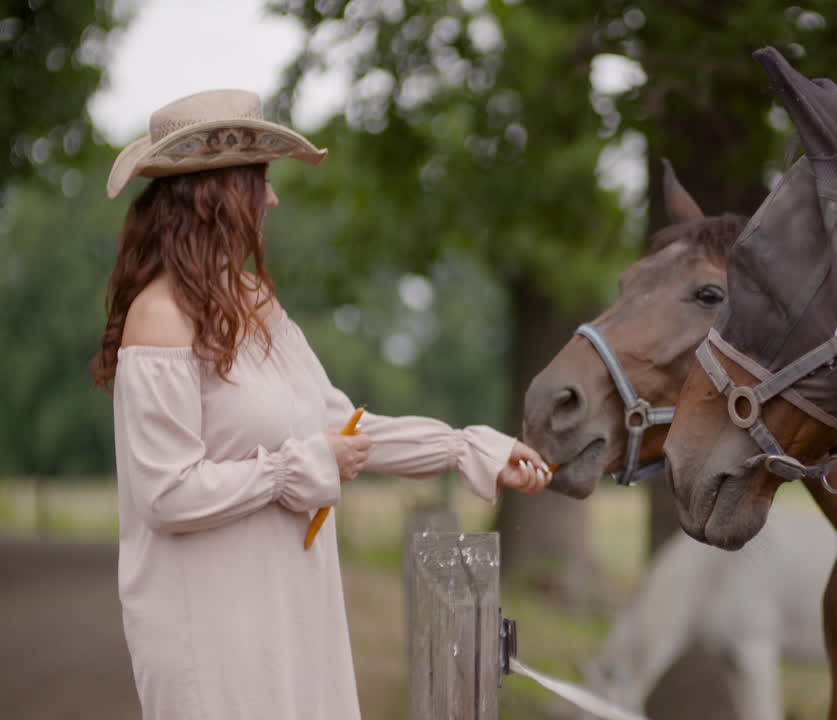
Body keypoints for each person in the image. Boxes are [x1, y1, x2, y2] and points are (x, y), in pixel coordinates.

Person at [91, 89, 551, 720]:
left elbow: (336, 427)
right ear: (215, 194)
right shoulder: (159, 317)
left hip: (293, 606)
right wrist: (292, 469)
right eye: (260, 181)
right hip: (210, 626)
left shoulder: (252, 300)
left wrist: (467, 447)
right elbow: (166, 494)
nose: (272, 199)